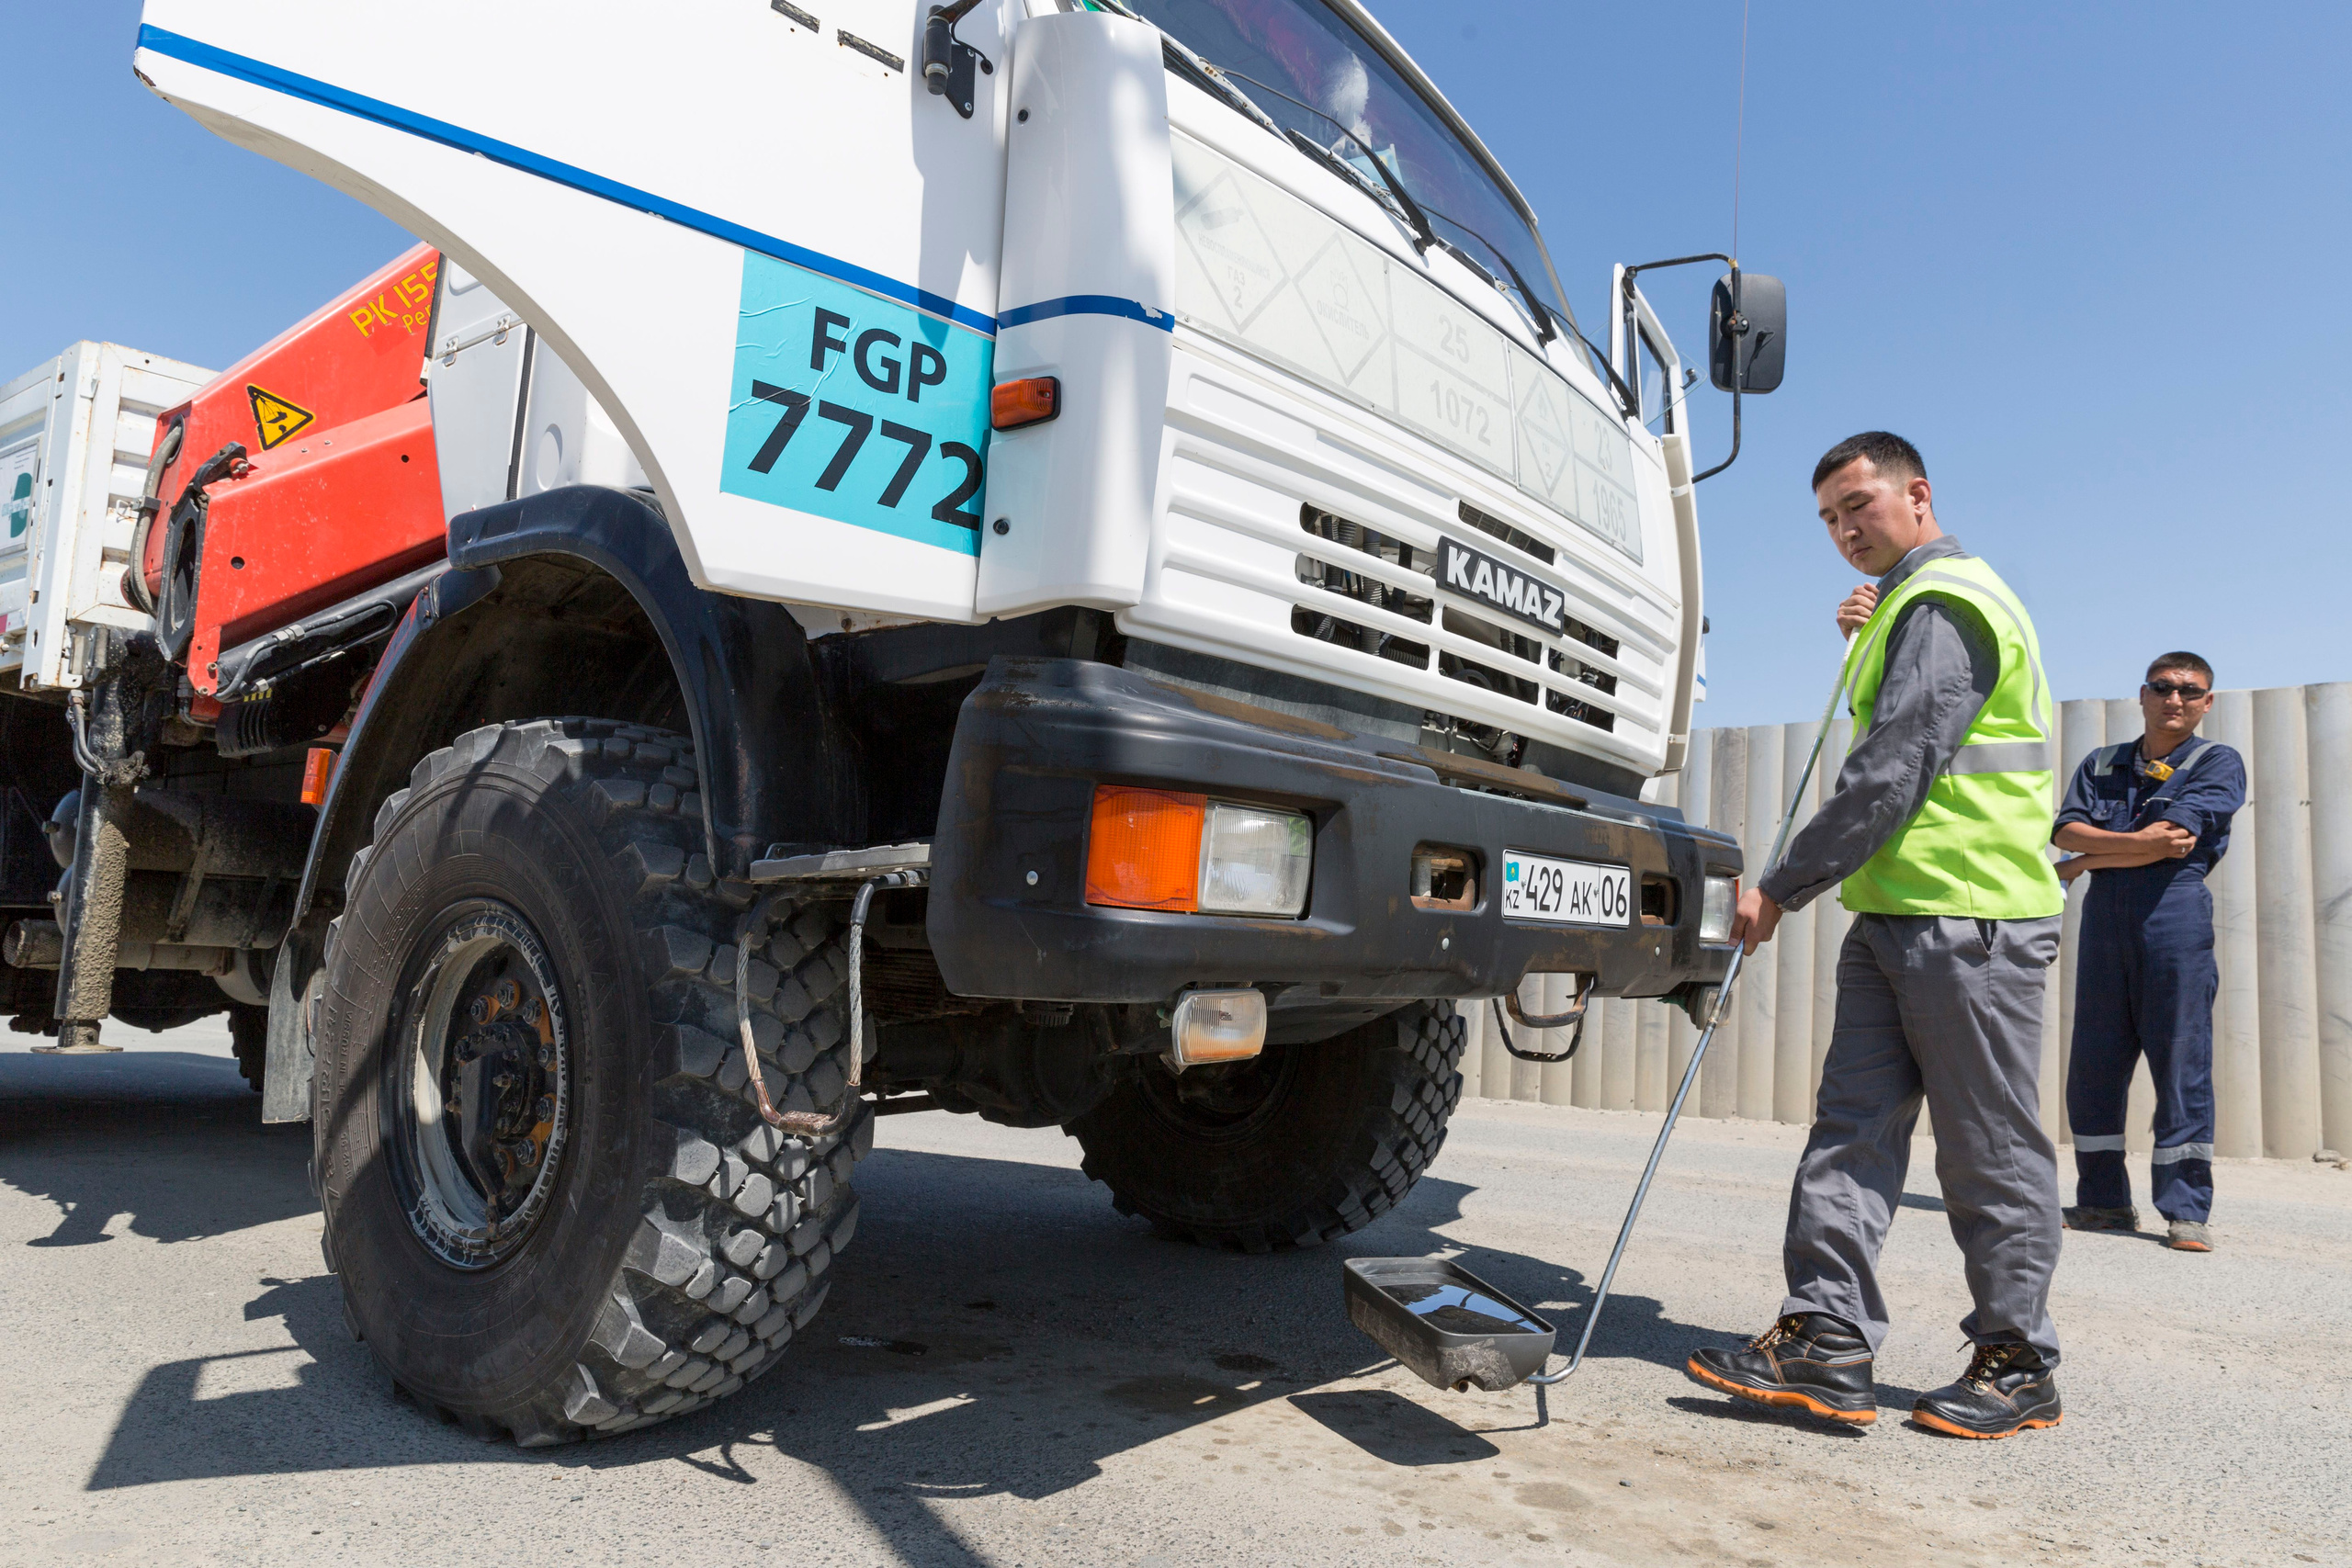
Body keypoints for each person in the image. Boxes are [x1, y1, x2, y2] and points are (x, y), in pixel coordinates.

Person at [1683, 432, 2068, 1439]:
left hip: (1972, 922)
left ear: (1917, 495)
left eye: (1858, 505)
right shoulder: (1901, 607)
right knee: (1849, 1131)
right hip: (1895, 918)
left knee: (1987, 1150)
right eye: (1827, 519)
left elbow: (1892, 768)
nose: (1844, 530)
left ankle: (2017, 1362)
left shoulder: (1948, 604)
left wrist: (1780, 888)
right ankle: (1826, 1339)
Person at [2052, 653, 2245, 1252]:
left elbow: (2174, 844)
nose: (2175, 699)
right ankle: (2103, 1202)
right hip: (2105, 921)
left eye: (2191, 690)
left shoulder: (2217, 763)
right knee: (2094, 1064)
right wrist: (2126, 845)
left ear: (2208, 701)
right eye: (2163, 687)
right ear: (2142, 694)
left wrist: (2087, 860)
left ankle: (2186, 1209)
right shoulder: (2101, 763)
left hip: (2174, 914)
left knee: (2180, 1060)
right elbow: (2064, 832)